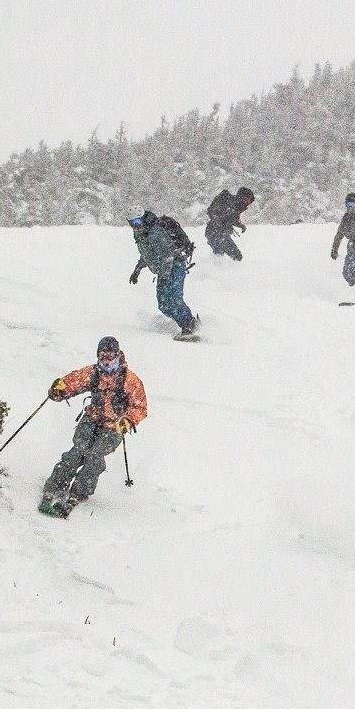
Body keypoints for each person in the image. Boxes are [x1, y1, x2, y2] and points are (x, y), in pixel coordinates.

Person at [39, 336, 149, 517]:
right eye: (102, 355)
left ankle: (79, 492)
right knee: (78, 450)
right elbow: (73, 382)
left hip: (113, 426)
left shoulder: (130, 380)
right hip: (91, 419)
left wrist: (128, 420)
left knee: (95, 455)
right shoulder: (93, 373)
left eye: (110, 356)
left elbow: (140, 407)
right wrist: (59, 390)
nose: (106, 360)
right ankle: (55, 484)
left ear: (118, 355)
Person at [128, 210, 199, 339]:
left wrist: (165, 277)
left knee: (174, 298)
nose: (135, 226)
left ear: (143, 219)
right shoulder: (140, 235)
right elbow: (147, 254)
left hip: (175, 266)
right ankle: (187, 323)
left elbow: (168, 256)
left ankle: (188, 324)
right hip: (163, 271)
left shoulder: (156, 233)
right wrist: (137, 269)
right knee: (163, 305)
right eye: (132, 223)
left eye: (137, 222)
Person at [205, 186, 255, 260]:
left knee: (220, 256)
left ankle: (217, 268)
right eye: (246, 199)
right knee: (235, 256)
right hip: (215, 233)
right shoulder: (226, 199)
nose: (247, 202)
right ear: (241, 196)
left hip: (221, 234)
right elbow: (211, 211)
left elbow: (232, 220)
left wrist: (241, 226)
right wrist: (217, 222)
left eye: (249, 200)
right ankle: (219, 269)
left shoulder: (237, 206)